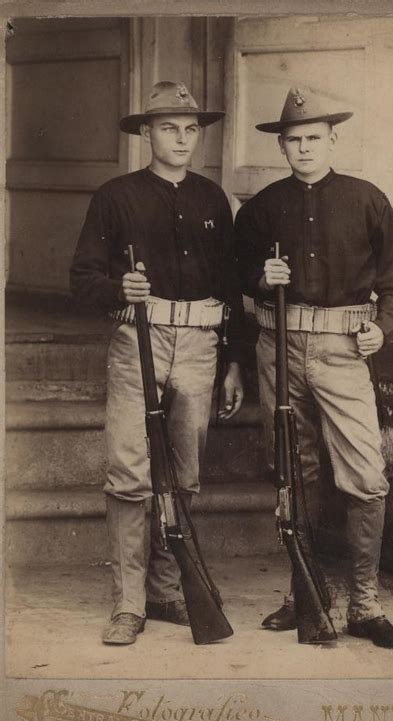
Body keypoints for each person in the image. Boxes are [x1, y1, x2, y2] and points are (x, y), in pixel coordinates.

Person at [235, 84, 393, 648]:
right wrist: (264, 281)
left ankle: (365, 604)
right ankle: (304, 592)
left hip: (342, 353)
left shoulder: (368, 200)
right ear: (282, 148)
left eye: (314, 138)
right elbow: (235, 276)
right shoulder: (262, 207)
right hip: (278, 350)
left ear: (333, 140)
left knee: (365, 475)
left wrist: (379, 329)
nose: (305, 148)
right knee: (294, 473)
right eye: (294, 141)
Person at [70, 81, 245, 645]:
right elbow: (82, 279)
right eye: (168, 127)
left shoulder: (214, 199)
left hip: (199, 344)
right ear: (146, 133)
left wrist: (234, 362)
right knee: (129, 472)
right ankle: (128, 603)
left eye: (190, 128)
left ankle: (168, 587)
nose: (181, 138)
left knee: (184, 472)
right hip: (136, 340)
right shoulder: (115, 195)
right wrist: (120, 285)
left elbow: (230, 285)